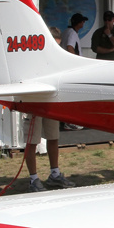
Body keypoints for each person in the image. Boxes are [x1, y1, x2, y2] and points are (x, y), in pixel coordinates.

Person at [23, 26, 75, 191]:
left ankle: (54, 174)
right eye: (53, 45)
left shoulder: (55, 59)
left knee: (53, 137)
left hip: (50, 102)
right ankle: (33, 179)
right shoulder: (31, 57)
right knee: (32, 142)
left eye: (58, 46)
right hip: (34, 103)